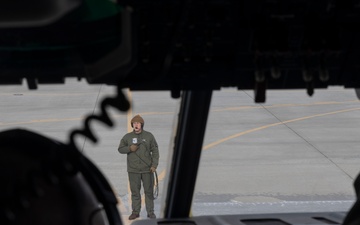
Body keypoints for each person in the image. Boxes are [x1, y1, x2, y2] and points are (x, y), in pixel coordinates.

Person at [118, 115, 159, 220]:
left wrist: (154, 165)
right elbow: (120, 149)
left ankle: (150, 212)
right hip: (133, 170)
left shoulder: (149, 136)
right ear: (132, 125)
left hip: (147, 169)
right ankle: (135, 212)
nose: (136, 125)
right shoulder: (127, 137)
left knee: (149, 192)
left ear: (142, 124)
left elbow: (155, 151)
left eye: (138, 123)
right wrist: (129, 148)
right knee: (135, 192)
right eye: (134, 123)